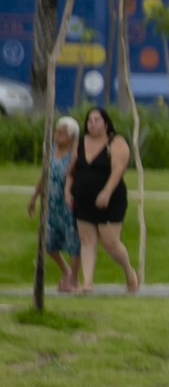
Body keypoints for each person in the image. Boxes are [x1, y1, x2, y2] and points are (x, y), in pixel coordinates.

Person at [65, 106, 138, 295]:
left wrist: (106, 192)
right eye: (89, 120)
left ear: (106, 123)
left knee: (110, 242)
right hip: (83, 199)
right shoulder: (80, 143)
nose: (93, 123)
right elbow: (72, 170)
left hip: (110, 199)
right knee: (87, 239)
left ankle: (128, 270)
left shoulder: (116, 142)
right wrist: (67, 190)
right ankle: (87, 283)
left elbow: (118, 170)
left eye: (97, 120)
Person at [26, 115, 81, 293]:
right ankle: (65, 270)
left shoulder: (75, 153)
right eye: (57, 131)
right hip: (51, 203)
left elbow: (73, 176)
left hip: (68, 203)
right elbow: (44, 175)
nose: (57, 135)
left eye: (62, 132)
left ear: (72, 137)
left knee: (73, 240)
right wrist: (34, 196)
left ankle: (73, 279)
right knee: (47, 241)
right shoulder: (50, 150)